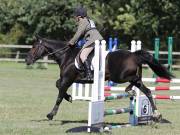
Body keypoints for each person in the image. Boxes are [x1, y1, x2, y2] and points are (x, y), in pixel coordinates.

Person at [68, 6, 103, 81]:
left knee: (83, 55)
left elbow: (78, 33)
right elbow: (82, 34)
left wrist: (71, 42)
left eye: (76, 16)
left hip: (92, 39)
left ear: (79, 16)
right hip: (98, 38)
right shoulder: (89, 20)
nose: (75, 18)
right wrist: (76, 42)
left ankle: (89, 75)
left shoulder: (82, 21)